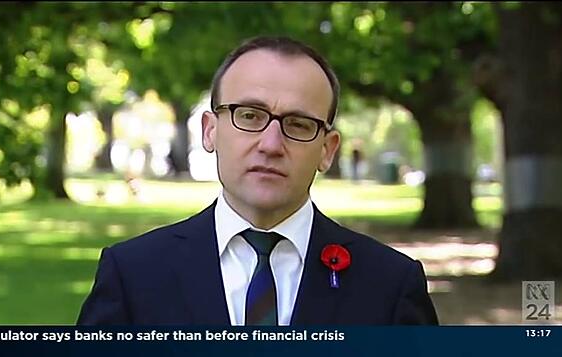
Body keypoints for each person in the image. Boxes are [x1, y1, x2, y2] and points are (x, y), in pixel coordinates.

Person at [77, 36, 439, 326]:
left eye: (298, 124)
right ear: (210, 131)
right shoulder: (133, 275)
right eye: (249, 115)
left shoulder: (390, 285)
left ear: (327, 150)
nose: (270, 144)